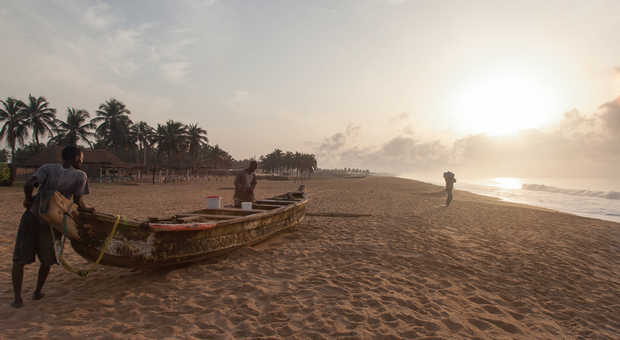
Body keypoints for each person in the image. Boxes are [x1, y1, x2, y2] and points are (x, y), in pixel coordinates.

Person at [11, 146, 94, 308]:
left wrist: (28, 200)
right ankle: (37, 292)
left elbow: (29, 184)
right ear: (76, 157)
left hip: (32, 216)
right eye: (81, 158)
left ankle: (17, 299)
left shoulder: (47, 168)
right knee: (47, 259)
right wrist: (88, 210)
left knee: (19, 258)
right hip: (53, 221)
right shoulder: (80, 176)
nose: (82, 161)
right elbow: (78, 201)